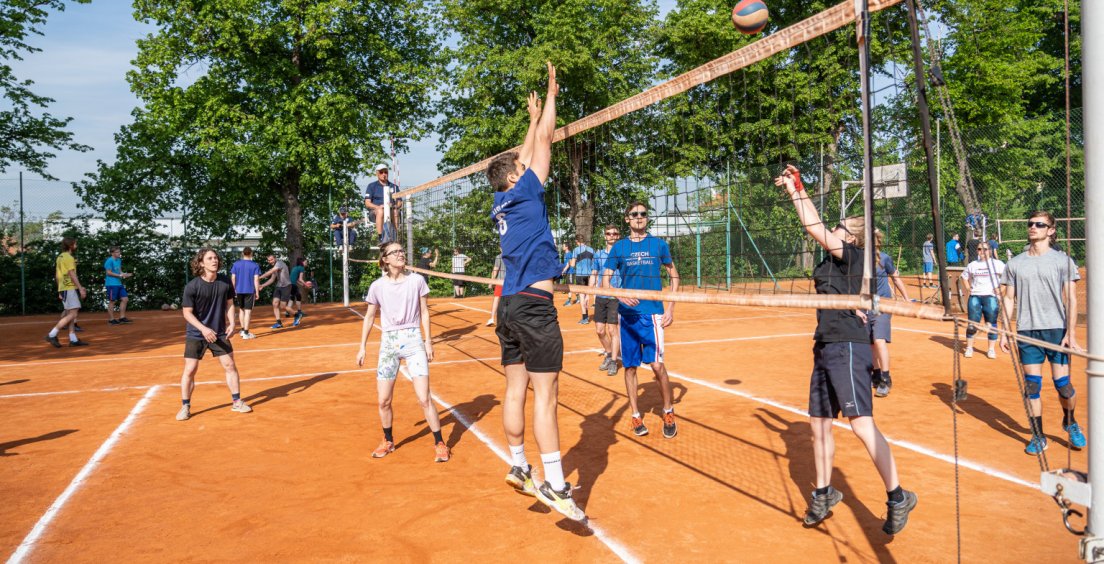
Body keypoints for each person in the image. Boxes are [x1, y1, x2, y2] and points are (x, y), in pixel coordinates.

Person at [775, 164, 916, 535]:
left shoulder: (854, 257)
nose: (831, 230)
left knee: (861, 426)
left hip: (849, 346)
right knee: (818, 424)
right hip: (825, 344)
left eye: (838, 228)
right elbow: (818, 231)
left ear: (851, 238)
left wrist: (796, 189)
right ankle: (823, 493)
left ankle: (898, 495)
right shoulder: (833, 262)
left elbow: (813, 227)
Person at [485, 63, 584, 521]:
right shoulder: (524, 190)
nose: (529, 167)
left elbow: (527, 149)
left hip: (507, 304)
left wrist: (531, 116)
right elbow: (543, 144)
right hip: (534, 305)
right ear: (515, 176)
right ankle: (556, 485)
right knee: (547, 395)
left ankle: (520, 466)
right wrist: (551, 92)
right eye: (522, 168)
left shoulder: (502, 199)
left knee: (515, 389)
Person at [999, 210, 1084, 454]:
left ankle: (1070, 422)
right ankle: (1038, 437)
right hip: (1027, 332)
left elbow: (1071, 299)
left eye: (1039, 224)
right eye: (1030, 223)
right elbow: (1008, 299)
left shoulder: (1062, 261)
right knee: (1032, 387)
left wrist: (1071, 333)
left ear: (1051, 230)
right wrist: (1005, 331)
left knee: (1064, 386)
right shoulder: (1015, 263)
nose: (1033, 227)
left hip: (1057, 330)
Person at [355, 241, 449, 463]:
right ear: (385, 260)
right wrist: (362, 347)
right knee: (383, 401)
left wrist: (428, 342)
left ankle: (440, 443)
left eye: (401, 251)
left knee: (424, 398)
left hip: (413, 339)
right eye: (394, 252)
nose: (400, 254)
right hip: (389, 343)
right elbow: (369, 316)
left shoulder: (416, 281)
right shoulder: (377, 286)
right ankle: (388, 440)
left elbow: (425, 312)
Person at [604, 202, 680, 439]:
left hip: (653, 313)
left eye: (643, 214)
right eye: (634, 214)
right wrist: (621, 296)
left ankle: (668, 410)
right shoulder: (619, 247)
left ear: (647, 218)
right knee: (630, 367)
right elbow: (606, 281)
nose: (639, 217)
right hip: (627, 317)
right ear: (627, 219)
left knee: (657, 366)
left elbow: (674, 275)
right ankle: (635, 414)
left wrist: (670, 307)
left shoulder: (658, 245)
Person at [177, 248, 252, 421]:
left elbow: (230, 304)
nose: (214, 260)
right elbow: (187, 313)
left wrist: (232, 322)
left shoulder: (225, 282)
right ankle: (185, 406)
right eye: (210, 258)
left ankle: (236, 401)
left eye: (216, 258)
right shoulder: (192, 286)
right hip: (196, 333)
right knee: (190, 369)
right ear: (201, 263)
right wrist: (203, 329)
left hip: (218, 332)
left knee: (230, 365)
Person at [869, 230, 910, 398]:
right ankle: (876, 374)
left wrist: (907, 299)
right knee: (870, 342)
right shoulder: (859, 260)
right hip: (867, 302)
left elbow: (895, 278)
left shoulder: (884, 258)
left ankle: (886, 378)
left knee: (879, 340)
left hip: (882, 301)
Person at [961, 242, 1005, 359]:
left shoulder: (998, 264)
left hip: (990, 296)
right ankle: (969, 348)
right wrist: (967, 287)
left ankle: (991, 349)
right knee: (972, 324)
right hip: (975, 296)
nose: (982, 252)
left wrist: (1001, 288)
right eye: (979, 249)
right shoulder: (973, 265)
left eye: (985, 249)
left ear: (990, 251)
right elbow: (964, 277)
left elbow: (1007, 278)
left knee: (991, 323)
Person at [45, 237, 88, 348]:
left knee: (70, 314)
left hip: (64, 288)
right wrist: (80, 288)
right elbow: (72, 274)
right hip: (69, 288)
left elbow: (57, 274)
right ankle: (52, 334)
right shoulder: (69, 258)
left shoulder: (60, 257)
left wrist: (59, 289)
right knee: (73, 314)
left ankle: (73, 339)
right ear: (71, 245)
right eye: (75, 243)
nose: (76, 245)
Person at [592, 225, 622, 376]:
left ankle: (613, 361)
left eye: (614, 233)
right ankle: (609, 354)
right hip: (600, 296)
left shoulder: (622, 254)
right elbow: (594, 273)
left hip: (615, 297)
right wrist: (590, 290)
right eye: (608, 233)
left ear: (618, 236)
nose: (611, 236)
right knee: (600, 330)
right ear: (605, 236)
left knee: (612, 330)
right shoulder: (598, 254)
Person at [363, 164, 401, 243]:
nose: (384, 174)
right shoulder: (371, 186)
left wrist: (393, 206)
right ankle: (380, 237)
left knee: (395, 211)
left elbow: (399, 202)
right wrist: (378, 207)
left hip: (390, 211)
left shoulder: (394, 187)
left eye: (385, 172)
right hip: (375, 212)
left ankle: (396, 237)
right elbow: (367, 203)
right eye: (381, 172)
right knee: (380, 211)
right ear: (377, 173)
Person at [230, 247, 262, 339]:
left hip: (238, 290)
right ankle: (246, 333)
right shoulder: (255, 265)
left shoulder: (236, 264)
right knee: (247, 311)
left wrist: (233, 289)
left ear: (242, 253)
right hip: (249, 290)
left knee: (241, 309)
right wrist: (257, 292)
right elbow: (256, 279)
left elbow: (233, 278)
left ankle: (243, 330)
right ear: (251, 254)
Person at [259, 253, 297, 329]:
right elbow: (272, 279)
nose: (270, 261)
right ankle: (279, 323)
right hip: (279, 286)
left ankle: (297, 315)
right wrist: (263, 285)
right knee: (275, 304)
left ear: (275, 258)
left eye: (271, 259)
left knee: (283, 306)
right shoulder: (275, 267)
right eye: (269, 260)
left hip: (286, 286)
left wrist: (259, 278)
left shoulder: (279, 263)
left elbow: (270, 272)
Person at [569, 236, 596, 324]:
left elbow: (572, 265)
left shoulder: (576, 250)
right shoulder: (591, 249)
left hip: (580, 275)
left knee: (581, 296)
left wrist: (571, 263)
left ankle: (585, 317)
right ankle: (589, 314)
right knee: (588, 295)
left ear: (577, 241)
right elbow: (595, 263)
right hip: (590, 275)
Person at [103, 246, 133, 325]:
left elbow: (119, 271)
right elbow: (108, 273)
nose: (119, 253)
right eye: (117, 252)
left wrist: (124, 274)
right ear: (112, 253)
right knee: (112, 301)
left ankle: (122, 318)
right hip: (111, 284)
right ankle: (111, 320)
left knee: (125, 299)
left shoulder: (119, 260)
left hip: (118, 283)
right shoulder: (109, 261)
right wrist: (120, 275)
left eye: (119, 252)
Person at [486, 252, 505, 326]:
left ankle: (492, 319)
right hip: (510, 282)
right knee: (509, 299)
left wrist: (491, 282)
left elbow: (495, 270)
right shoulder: (512, 255)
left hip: (500, 281)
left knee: (496, 299)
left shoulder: (499, 256)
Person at [289, 257, 309, 324]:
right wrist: (306, 284)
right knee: (298, 296)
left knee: (292, 297)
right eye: (306, 262)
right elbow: (300, 279)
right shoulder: (301, 268)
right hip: (293, 285)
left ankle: (288, 311)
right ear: (302, 262)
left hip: (289, 284)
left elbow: (297, 279)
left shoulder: (295, 267)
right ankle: (299, 312)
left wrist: (303, 285)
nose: (306, 263)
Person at [560, 242, 576, 306]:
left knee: (570, 286)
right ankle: (578, 298)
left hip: (570, 272)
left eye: (563, 246)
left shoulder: (569, 254)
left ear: (567, 247)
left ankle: (569, 301)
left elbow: (568, 264)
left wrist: (563, 271)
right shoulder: (565, 254)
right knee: (571, 286)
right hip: (568, 272)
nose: (562, 247)